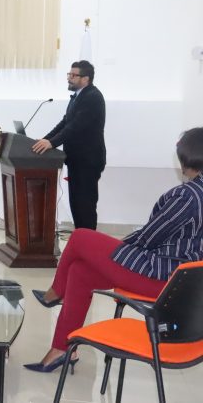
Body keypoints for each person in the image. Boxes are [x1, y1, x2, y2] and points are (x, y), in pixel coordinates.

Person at [25, 127, 203, 373]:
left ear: (187, 157)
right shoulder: (196, 192)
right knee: (80, 272)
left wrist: (117, 247)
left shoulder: (188, 195)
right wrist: (116, 247)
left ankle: (55, 293)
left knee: (79, 237)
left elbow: (149, 238)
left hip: (162, 278)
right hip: (178, 278)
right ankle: (63, 349)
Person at [32, 60, 106, 230]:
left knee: (85, 206)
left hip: (88, 161)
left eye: (74, 75)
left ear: (85, 78)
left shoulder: (92, 97)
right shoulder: (78, 96)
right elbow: (65, 123)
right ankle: (81, 239)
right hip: (76, 160)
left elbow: (76, 127)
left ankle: (88, 242)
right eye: (69, 74)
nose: (69, 78)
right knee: (77, 206)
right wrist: (44, 140)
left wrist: (51, 143)